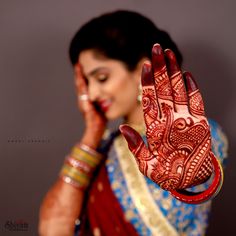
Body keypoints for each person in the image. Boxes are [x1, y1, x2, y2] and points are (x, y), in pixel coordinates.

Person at [39, 10, 228, 236]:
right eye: (86, 83)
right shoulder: (105, 147)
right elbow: (52, 230)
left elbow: (174, 220)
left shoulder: (199, 135)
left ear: (142, 70)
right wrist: (92, 133)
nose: (91, 93)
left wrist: (185, 173)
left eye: (101, 78)